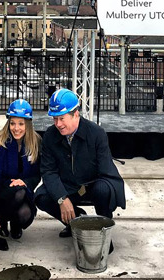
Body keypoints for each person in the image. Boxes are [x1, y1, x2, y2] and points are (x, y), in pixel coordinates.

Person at [35, 88, 126, 242]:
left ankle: (103, 231)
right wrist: (61, 198)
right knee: (41, 196)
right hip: (67, 186)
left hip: (92, 185)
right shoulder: (50, 136)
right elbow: (48, 171)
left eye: (62, 118)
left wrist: (96, 187)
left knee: (103, 189)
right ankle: (77, 221)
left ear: (75, 114)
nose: (58, 124)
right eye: (54, 119)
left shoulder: (96, 133)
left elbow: (105, 170)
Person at [0, 99, 41, 251]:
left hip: (22, 191)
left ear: (28, 123)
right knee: (17, 192)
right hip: (0, 192)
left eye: (21, 123)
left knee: (24, 213)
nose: (16, 128)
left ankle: (15, 224)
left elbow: (37, 175)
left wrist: (25, 182)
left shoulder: (36, 143)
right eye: (12, 123)